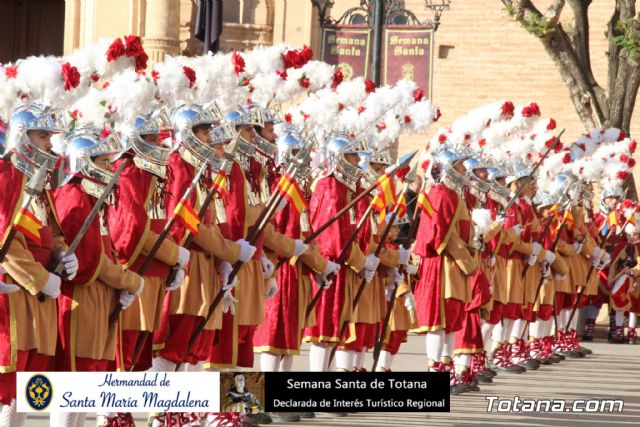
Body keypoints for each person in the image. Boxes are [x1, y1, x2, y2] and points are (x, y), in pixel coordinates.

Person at [50, 127, 145, 427]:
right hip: (82, 303)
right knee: (75, 386)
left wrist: (122, 287)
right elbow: (93, 262)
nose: (109, 168)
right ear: (85, 161)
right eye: (103, 162)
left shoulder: (90, 198)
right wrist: (130, 281)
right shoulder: (75, 197)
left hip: (99, 301)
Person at [0, 104, 77, 427]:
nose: (49, 143)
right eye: (42, 135)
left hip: (40, 294)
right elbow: (5, 237)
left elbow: (52, 233)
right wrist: (38, 278)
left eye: (49, 135)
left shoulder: (39, 183)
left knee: (30, 381)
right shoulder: (6, 176)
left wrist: (62, 253)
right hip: (16, 292)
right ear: (23, 136)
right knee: (9, 388)